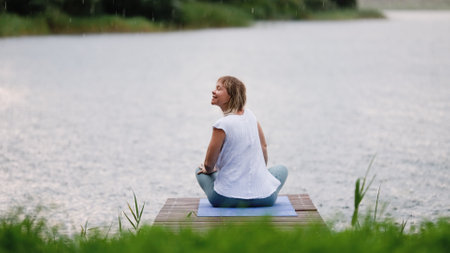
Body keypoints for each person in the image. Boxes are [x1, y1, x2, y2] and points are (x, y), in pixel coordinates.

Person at [196, 76, 288, 207]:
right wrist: (259, 173)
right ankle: (260, 182)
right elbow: (264, 146)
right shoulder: (250, 115)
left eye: (219, 89)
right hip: (265, 198)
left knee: (198, 170)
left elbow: (209, 165)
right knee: (282, 169)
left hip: (225, 199)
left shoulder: (221, 125)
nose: (213, 91)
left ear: (230, 96)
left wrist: (211, 169)